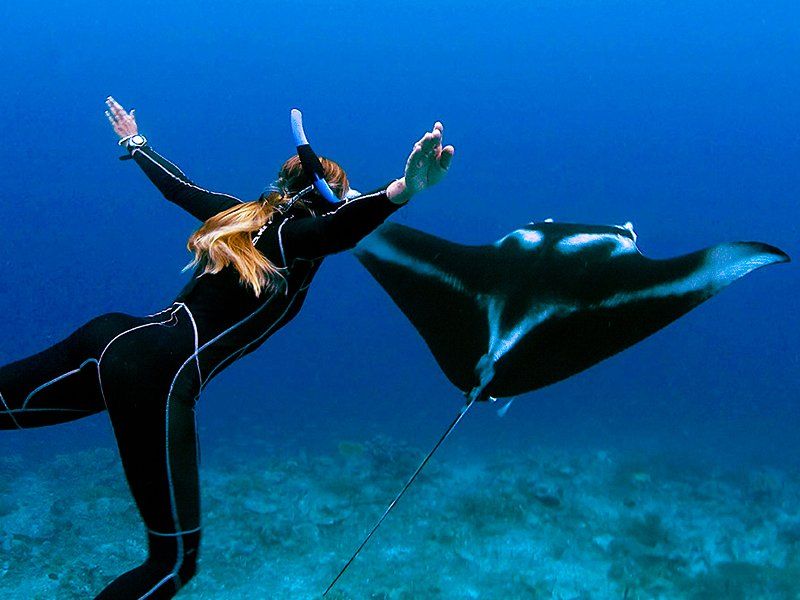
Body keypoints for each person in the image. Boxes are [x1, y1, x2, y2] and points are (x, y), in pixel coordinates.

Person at [0, 96, 455, 599]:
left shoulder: (239, 216)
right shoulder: (293, 239)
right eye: (346, 194)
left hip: (114, 337)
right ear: (330, 197)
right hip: (157, 373)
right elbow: (338, 229)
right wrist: (400, 191)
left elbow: (179, 188)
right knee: (172, 565)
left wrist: (135, 141)